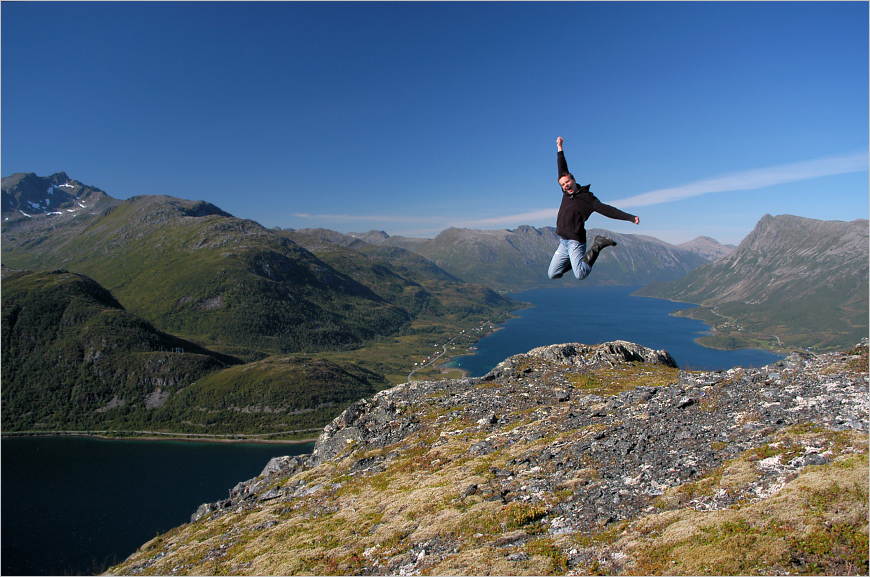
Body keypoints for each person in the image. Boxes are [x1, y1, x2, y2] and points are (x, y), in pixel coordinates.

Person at [548, 136, 640, 281]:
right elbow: (562, 168)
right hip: (563, 242)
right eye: (563, 184)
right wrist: (560, 148)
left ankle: (598, 244)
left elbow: (607, 210)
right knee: (553, 274)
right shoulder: (566, 194)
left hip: (575, 241)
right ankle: (575, 261)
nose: (565, 185)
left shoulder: (587, 199)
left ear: (574, 180)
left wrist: (630, 218)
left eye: (567, 182)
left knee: (580, 275)